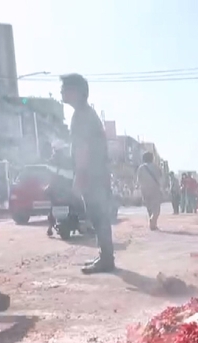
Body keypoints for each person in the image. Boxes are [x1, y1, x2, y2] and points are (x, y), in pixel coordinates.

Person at [60, 73, 114, 274]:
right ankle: (105, 256)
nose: (61, 92)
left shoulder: (82, 116)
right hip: (96, 173)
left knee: (98, 216)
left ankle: (106, 259)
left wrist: (80, 176)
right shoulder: (85, 114)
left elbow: (83, 149)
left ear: (77, 92)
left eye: (65, 88)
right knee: (98, 216)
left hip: (93, 175)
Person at [136, 151, 164, 230]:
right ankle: (153, 221)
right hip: (155, 189)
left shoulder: (141, 168)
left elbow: (138, 180)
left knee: (149, 207)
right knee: (156, 208)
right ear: (152, 158)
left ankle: (153, 224)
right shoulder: (156, 167)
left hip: (144, 190)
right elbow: (161, 178)